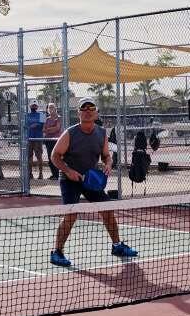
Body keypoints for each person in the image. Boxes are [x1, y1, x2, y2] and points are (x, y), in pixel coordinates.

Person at [48, 98, 138, 267]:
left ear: (96, 113)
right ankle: (57, 252)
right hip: (69, 180)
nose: (88, 111)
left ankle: (117, 246)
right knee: (71, 215)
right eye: (84, 108)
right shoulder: (70, 133)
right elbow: (54, 156)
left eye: (91, 108)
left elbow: (106, 156)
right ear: (79, 113)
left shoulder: (101, 133)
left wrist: (108, 163)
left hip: (90, 180)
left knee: (107, 210)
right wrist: (68, 171)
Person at [25, 101, 47, 180]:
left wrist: (36, 125)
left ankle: (41, 174)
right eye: (32, 106)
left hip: (38, 138)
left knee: (39, 156)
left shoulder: (42, 115)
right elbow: (24, 125)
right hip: (29, 138)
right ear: (30, 106)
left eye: (35, 106)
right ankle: (29, 173)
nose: (33, 107)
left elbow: (44, 125)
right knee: (29, 156)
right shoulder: (26, 115)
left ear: (37, 107)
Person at [42, 101, 62, 179]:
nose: (50, 109)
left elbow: (57, 129)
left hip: (56, 140)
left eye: (52, 107)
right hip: (48, 140)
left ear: (55, 108)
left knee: (56, 157)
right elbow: (43, 129)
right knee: (50, 158)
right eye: (49, 107)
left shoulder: (58, 117)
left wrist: (48, 129)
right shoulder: (47, 119)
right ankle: (54, 174)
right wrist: (51, 129)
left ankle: (58, 175)